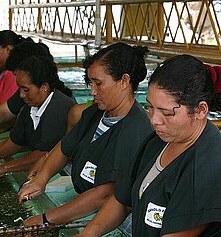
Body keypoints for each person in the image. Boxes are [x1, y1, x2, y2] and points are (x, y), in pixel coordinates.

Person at [75, 54, 221, 237]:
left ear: (200, 110)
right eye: (150, 107)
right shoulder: (158, 142)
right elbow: (121, 200)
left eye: (167, 113)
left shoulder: (209, 166)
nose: (154, 120)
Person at [17, 42, 154, 227]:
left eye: (99, 83)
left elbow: (104, 194)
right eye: (91, 83)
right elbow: (64, 148)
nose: (92, 91)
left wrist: (46, 219)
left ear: (124, 81)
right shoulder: (95, 114)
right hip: (84, 200)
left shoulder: (135, 128)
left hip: (111, 220)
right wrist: (41, 179)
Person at [0, 56, 75, 182]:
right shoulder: (30, 106)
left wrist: (4, 168)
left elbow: (43, 153)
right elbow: (17, 141)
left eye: (26, 90)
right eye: (19, 88)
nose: (21, 95)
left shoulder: (58, 108)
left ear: (44, 87)